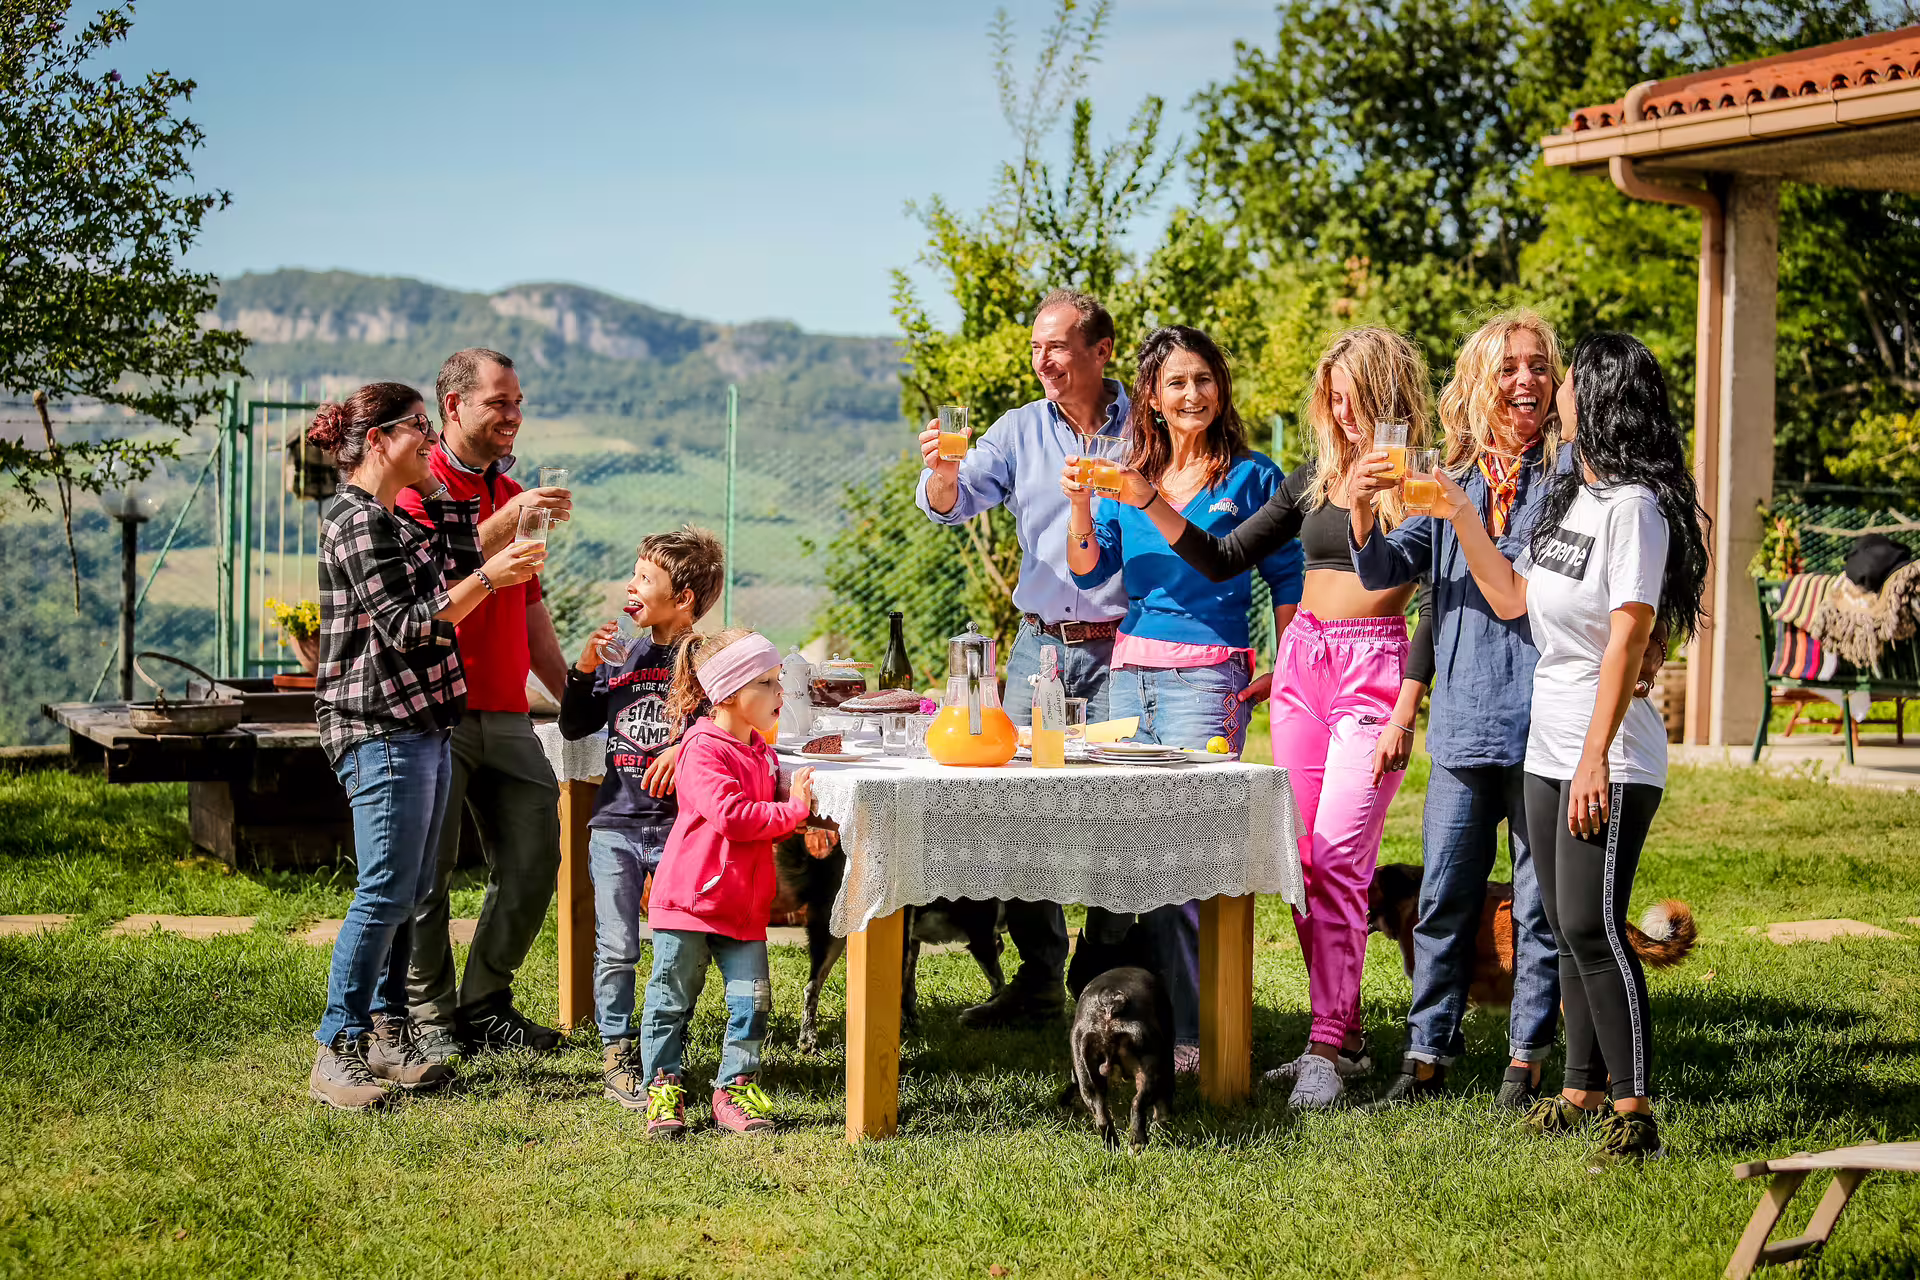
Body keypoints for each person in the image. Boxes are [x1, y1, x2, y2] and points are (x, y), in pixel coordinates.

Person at [1102, 327, 1433, 1110]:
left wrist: (1408, 709)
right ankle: (1343, 1036)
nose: (1344, 409)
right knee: (1299, 867)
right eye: (1334, 395)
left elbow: (1442, 601)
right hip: (1302, 671)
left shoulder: (1425, 482)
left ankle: (1325, 1046)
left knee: (1339, 859)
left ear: (1388, 393)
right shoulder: (1315, 478)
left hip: (1374, 671)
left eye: (1357, 392)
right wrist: (1148, 499)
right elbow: (1222, 558)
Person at [1421, 332, 1708, 1165]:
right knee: (1570, 923)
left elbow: (1629, 639)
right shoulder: (1574, 499)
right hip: (1547, 747)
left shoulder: (1635, 510)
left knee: (1592, 926)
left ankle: (1636, 1110)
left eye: (1571, 382)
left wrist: (1593, 758)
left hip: (1606, 752)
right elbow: (1511, 597)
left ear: (1603, 398)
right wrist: (1463, 514)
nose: (1558, 394)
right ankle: (1580, 1092)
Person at [1061, 325, 1304, 1071]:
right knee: (1127, 850)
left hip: (1209, 678)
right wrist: (1078, 506)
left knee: (1191, 855)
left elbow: (1287, 581)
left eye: (1203, 379)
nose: (1191, 394)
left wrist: (1285, 668)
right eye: (1175, 383)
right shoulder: (1127, 473)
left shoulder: (1254, 478)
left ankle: (1194, 1037)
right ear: (1152, 399)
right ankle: (1119, 1013)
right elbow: (1085, 569)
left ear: (1220, 389)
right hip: (1129, 675)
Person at [1346, 310, 1567, 1108]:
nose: (1525, 381)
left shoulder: (1567, 479)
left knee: (1538, 902)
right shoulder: (1451, 478)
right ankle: (1427, 1057)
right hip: (1467, 723)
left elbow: (1515, 594)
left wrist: (1454, 513)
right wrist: (1365, 507)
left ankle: (1527, 1060)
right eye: (1508, 367)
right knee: (1443, 895)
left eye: (1538, 366)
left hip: (1547, 722)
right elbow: (1384, 573)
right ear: (1480, 382)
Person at [306, 382, 545, 1111]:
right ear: (376, 440)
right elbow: (411, 623)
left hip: (423, 724)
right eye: (416, 428)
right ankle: (337, 1047)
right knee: (384, 892)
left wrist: (469, 519)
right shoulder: (353, 520)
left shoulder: (396, 517)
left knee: (409, 892)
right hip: (377, 727)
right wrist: (486, 576)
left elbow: (452, 554)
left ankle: (386, 1032)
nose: (427, 441)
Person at [915, 288, 1130, 1028]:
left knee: (1122, 809)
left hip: (1125, 646)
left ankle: (1101, 968)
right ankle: (1038, 976)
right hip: (1039, 647)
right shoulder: (1015, 431)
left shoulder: (1149, 428)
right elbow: (953, 500)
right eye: (1036, 346)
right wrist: (942, 475)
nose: (1043, 359)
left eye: (1058, 345)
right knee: (1017, 808)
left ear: (1100, 352)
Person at [398, 348, 574, 1060]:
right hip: (432, 712)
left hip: (506, 710)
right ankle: (430, 1019)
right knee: (426, 875)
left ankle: (485, 1002)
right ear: (454, 406)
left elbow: (530, 608)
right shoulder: (417, 483)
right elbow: (430, 580)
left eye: (517, 401)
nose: (513, 415)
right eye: (498, 402)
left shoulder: (513, 489)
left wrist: (575, 698)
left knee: (536, 855)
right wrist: (507, 523)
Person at [557, 526, 727, 1110]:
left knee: (680, 946)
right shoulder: (619, 656)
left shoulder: (708, 660)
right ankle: (616, 1050)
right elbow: (574, 725)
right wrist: (582, 667)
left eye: (644, 578)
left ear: (683, 599)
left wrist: (686, 748)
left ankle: (664, 1050)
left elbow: (734, 723)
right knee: (617, 945)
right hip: (616, 825)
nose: (630, 586)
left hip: (683, 829)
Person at [636, 629, 816, 1139]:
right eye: (769, 682)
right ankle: (663, 1087)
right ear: (732, 693)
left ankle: (734, 1088)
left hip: (743, 908)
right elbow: (734, 816)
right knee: (671, 1000)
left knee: (752, 1002)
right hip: (691, 904)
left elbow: (773, 809)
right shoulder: (702, 751)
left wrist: (803, 822)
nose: (782, 693)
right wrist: (792, 811)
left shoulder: (761, 751)